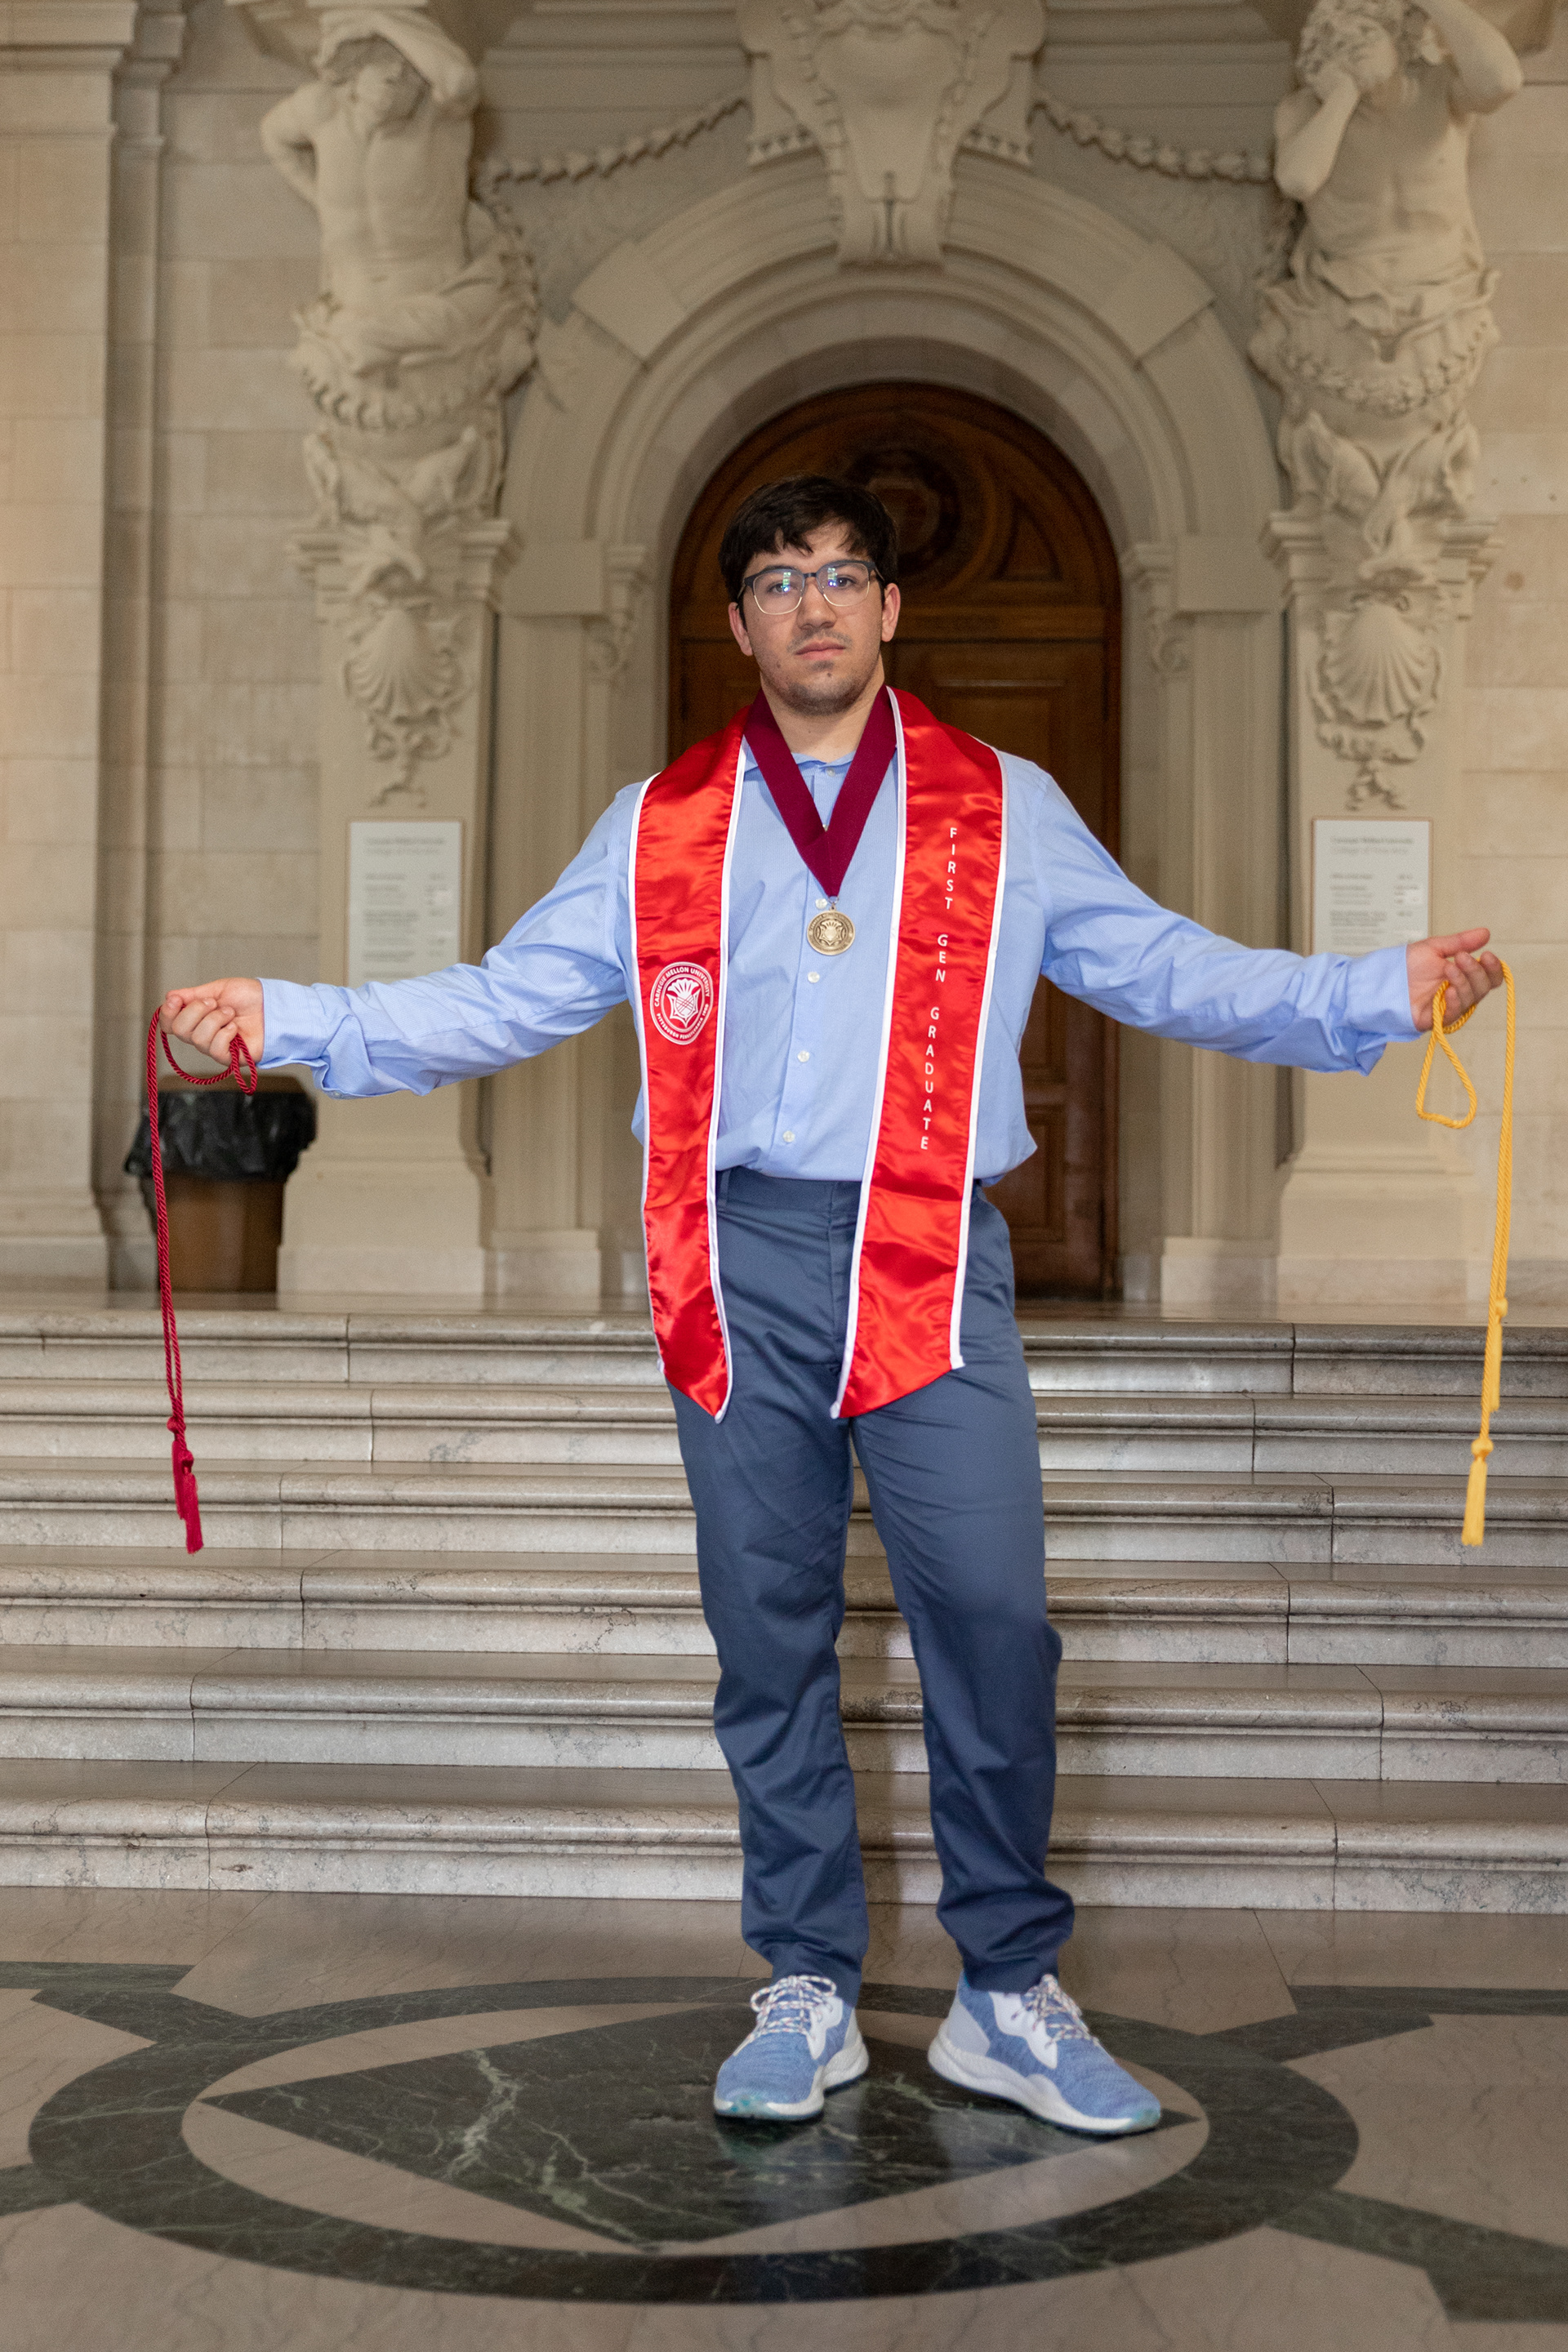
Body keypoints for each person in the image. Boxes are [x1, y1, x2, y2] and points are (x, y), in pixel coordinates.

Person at [161, 476, 1502, 2136]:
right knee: (771, 1630)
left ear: (889, 609)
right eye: (781, 579)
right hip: (734, 1262)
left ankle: (1006, 1992)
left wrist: (1375, 991)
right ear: (739, 623)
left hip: (930, 1250)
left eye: (844, 575)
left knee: (993, 1619)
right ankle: (806, 1979)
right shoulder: (659, 824)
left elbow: (1166, 965)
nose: (815, 603)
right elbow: (505, 999)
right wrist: (295, 1014)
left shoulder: (1002, 803)